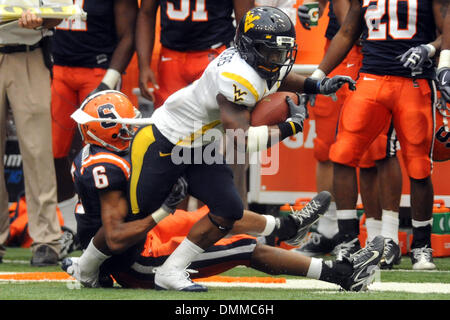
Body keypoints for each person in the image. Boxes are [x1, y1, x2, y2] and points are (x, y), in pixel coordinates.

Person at [127, 6, 356, 292]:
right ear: (251, 48)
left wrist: (317, 85)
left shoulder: (249, 59)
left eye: (281, 53)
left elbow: (275, 75)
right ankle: (90, 263)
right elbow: (241, 140)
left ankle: (173, 270)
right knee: (141, 219)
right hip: (164, 142)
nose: (277, 60)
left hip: (197, 145)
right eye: (270, 53)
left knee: (228, 210)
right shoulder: (237, 77)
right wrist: (292, 127)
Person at [63, 90, 337, 288]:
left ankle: (285, 228)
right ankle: (334, 272)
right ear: (112, 132)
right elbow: (113, 238)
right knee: (243, 247)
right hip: (133, 260)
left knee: (214, 215)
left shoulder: (103, 152)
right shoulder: (105, 167)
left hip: (139, 235)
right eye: (127, 126)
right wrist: (163, 210)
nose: (132, 129)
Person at [313, 0, 446, 270]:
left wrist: (431, 49)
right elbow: (348, 31)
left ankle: (421, 245)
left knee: (419, 164)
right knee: (342, 154)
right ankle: (348, 240)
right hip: (371, 77)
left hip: (414, 80)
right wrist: (316, 76)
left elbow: (447, 28)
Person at [296, 0, 403, 270]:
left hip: (372, 53)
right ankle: (332, 229)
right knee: (328, 148)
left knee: (374, 150)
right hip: (338, 50)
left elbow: (352, 24)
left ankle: (380, 237)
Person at [136, 0, 255, 210]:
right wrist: (144, 65)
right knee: (173, 144)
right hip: (170, 56)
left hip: (215, 54)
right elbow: (146, 14)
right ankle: (174, 225)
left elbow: (247, 22)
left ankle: (216, 219)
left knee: (218, 148)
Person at [50, 0, 139, 232]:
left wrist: (107, 82)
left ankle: (108, 218)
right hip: (57, 68)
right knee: (54, 149)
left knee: (104, 147)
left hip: (99, 69)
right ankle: (71, 224)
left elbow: (129, 35)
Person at [0, 10, 63, 266]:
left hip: (29, 51)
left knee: (38, 151)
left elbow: (58, 12)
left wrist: (42, 19)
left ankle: (47, 239)